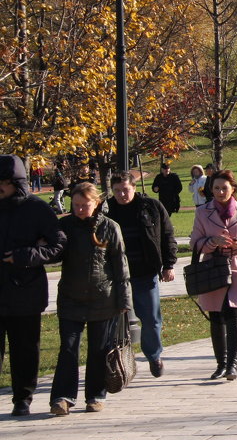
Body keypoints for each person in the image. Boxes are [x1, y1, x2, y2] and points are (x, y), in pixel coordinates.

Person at [50, 183, 132, 415]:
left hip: (103, 299)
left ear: (96, 203)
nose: (79, 210)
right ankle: (62, 397)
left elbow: (120, 266)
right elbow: (53, 253)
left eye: (84, 205)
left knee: (98, 350)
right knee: (68, 348)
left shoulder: (109, 227)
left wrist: (125, 302)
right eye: (75, 205)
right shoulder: (64, 226)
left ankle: (95, 395)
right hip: (70, 298)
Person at [0, 155, 67, 416]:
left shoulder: (36, 209)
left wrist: (25, 256)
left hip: (25, 291)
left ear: (16, 182)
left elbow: (58, 246)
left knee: (25, 349)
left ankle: (22, 398)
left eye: (3, 183)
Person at [105, 171, 176, 378]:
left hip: (145, 273)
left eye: (125, 190)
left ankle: (154, 356)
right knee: (113, 320)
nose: (122, 195)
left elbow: (167, 235)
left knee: (151, 318)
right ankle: (114, 361)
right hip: (116, 276)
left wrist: (168, 265)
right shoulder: (107, 210)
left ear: (134, 188)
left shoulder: (150, 207)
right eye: (117, 191)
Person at [190, 169, 237, 381]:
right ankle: (220, 364)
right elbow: (194, 242)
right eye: (217, 188)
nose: (220, 192)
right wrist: (211, 243)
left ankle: (232, 365)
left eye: (224, 188)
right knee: (216, 316)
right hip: (213, 269)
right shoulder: (203, 212)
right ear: (210, 190)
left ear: (233, 189)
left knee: (234, 315)